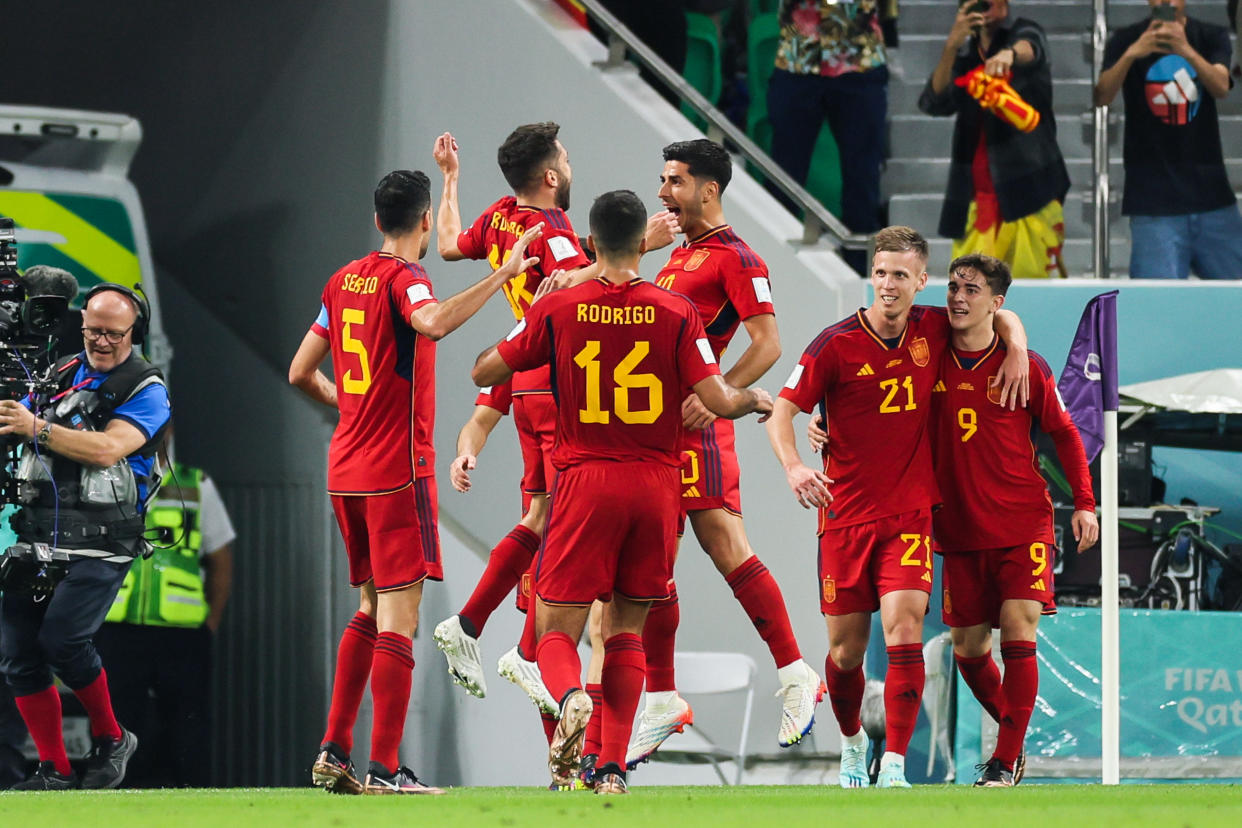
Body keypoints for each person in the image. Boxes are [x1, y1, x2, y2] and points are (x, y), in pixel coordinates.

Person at [472, 189, 773, 795]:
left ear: (592, 238)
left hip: (584, 480)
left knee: (557, 628)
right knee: (628, 629)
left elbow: (485, 371)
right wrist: (752, 399)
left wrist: (529, 325)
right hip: (657, 485)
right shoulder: (675, 310)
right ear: (644, 241)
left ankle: (569, 701)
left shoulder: (561, 306)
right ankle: (611, 769)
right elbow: (715, 399)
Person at [288, 168, 541, 795]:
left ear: (378, 220)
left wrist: (347, 409)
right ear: (426, 221)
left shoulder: (341, 280)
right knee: (400, 617)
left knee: (371, 607)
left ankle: (333, 751)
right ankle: (384, 769)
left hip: (344, 470)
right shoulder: (408, 280)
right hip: (396, 473)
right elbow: (430, 323)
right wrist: (504, 275)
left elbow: (300, 371)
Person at [765, 225, 1028, 789]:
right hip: (842, 518)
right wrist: (794, 466)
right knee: (845, 653)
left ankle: (897, 766)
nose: (888, 284)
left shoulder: (934, 326)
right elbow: (782, 412)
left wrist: (1019, 346)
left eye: (900, 275)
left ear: (921, 281)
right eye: (881, 273)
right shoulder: (833, 344)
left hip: (909, 514)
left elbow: (995, 314)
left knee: (905, 627)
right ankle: (856, 743)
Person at [627, 139, 823, 772]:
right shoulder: (679, 255)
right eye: (662, 180)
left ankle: (796, 673)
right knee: (650, 566)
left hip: (697, 432)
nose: (662, 193)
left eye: (673, 181)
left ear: (708, 189)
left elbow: (767, 342)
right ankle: (661, 696)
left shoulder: (739, 257)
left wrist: (720, 398)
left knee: (726, 549)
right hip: (656, 432)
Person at [430, 124, 595, 719]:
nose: (571, 168)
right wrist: (636, 245)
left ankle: (480, 629)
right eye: (567, 159)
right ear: (551, 176)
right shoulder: (550, 230)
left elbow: (448, 243)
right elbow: (583, 281)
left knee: (542, 514)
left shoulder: (502, 216)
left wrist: (451, 179)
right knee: (575, 530)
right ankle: (516, 646)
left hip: (523, 379)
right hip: (558, 379)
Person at [928, 253, 1098, 786]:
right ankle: (1013, 735)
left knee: (1019, 636)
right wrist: (823, 421)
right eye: (954, 286)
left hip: (1023, 522)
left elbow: (1067, 435)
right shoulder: (925, 354)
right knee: (968, 651)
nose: (958, 296)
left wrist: (1086, 503)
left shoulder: (1028, 366)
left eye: (971, 289)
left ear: (995, 303)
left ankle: (1003, 762)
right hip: (957, 530)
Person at [0, 282, 171, 790]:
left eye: (113, 334)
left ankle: (113, 738)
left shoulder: (147, 387)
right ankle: (53, 768)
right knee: (18, 655)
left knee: (64, 640)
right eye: (93, 330)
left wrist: (35, 428)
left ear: (133, 332)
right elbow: (17, 420)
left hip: (103, 538)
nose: (101, 341)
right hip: (38, 532)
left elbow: (108, 450)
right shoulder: (60, 372)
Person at [94, 450, 235, 787]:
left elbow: (221, 560)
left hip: (182, 631)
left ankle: (191, 804)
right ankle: (117, 807)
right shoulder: (98, 481)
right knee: (117, 729)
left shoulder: (195, 484)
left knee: (188, 727)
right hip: (117, 627)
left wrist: (209, 622)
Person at [919, 0, 1070, 279]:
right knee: (971, 297)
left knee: (1034, 291)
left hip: (1031, 193)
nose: (987, 7)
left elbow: (1031, 47)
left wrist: (1009, 55)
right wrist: (952, 44)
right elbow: (933, 102)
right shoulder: (964, 56)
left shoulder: (1024, 32)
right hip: (975, 201)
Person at [1095, 0, 1242, 279]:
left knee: (1236, 297)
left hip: (1213, 196)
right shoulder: (1127, 39)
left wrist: (1185, 50)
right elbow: (1101, 95)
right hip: (1153, 203)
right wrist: (1131, 55)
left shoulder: (1210, 35)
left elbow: (1222, 85)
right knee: (1157, 305)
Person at [766, 0, 894, 273]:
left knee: (862, 175)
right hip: (797, 57)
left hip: (859, 59)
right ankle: (772, 264)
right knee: (784, 173)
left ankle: (861, 271)